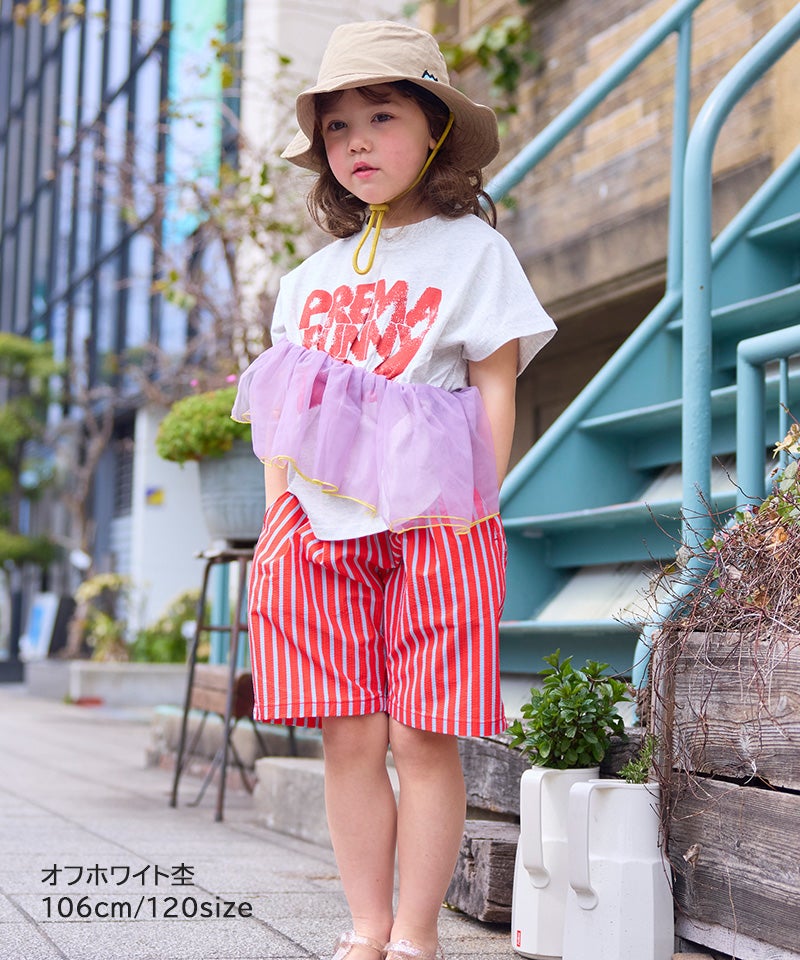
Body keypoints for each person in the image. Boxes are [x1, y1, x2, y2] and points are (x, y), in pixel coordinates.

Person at [232, 19, 556, 960]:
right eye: (337, 127)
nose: (357, 142)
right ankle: (367, 928)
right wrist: (277, 517)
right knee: (349, 736)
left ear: (435, 130)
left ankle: (417, 934)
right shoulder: (306, 280)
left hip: (437, 523)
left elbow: (495, 388)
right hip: (316, 528)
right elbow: (285, 414)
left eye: (382, 116)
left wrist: (478, 505)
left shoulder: (473, 253)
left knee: (422, 736)